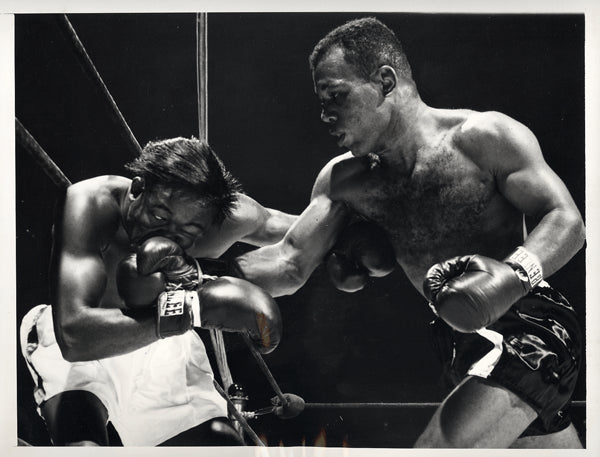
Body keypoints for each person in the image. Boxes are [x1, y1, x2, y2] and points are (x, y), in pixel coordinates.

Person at [230, 18, 586, 448]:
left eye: (337, 96)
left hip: (529, 324)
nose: (326, 114)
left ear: (384, 80)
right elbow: (289, 262)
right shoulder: (345, 182)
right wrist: (193, 276)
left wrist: (511, 276)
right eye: (321, 102)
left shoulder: (482, 137)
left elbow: (567, 221)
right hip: (459, 343)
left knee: (436, 447)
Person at [19, 137, 296, 446]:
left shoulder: (227, 213)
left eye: (188, 232)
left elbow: (296, 233)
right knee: (83, 445)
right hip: (90, 343)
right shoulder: (91, 202)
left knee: (223, 447)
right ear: (137, 189)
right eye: (160, 216)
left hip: (165, 348)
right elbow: (73, 337)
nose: (165, 235)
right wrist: (193, 309)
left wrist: (353, 227)